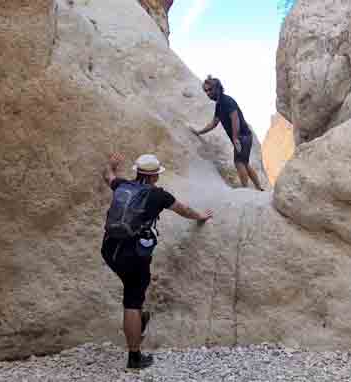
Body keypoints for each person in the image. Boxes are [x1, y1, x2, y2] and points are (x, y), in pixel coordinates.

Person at [100, 152, 214, 369]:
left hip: (109, 249)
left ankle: (138, 319)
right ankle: (134, 356)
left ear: (137, 172)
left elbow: (108, 176)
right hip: (133, 255)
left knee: (131, 288)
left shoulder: (122, 185)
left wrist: (112, 165)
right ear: (155, 176)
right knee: (132, 301)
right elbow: (184, 210)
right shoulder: (159, 195)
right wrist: (201, 217)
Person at [193, 75, 265, 191]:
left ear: (217, 88)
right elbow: (214, 123)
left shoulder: (227, 101)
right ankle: (259, 187)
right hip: (243, 136)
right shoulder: (219, 104)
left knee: (238, 162)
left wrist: (236, 138)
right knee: (245, 163)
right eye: (205, 91)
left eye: (210, 90)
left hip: (243, 136)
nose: (208, 93)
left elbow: (235, 118)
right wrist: (199, 132)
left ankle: (245, 189)